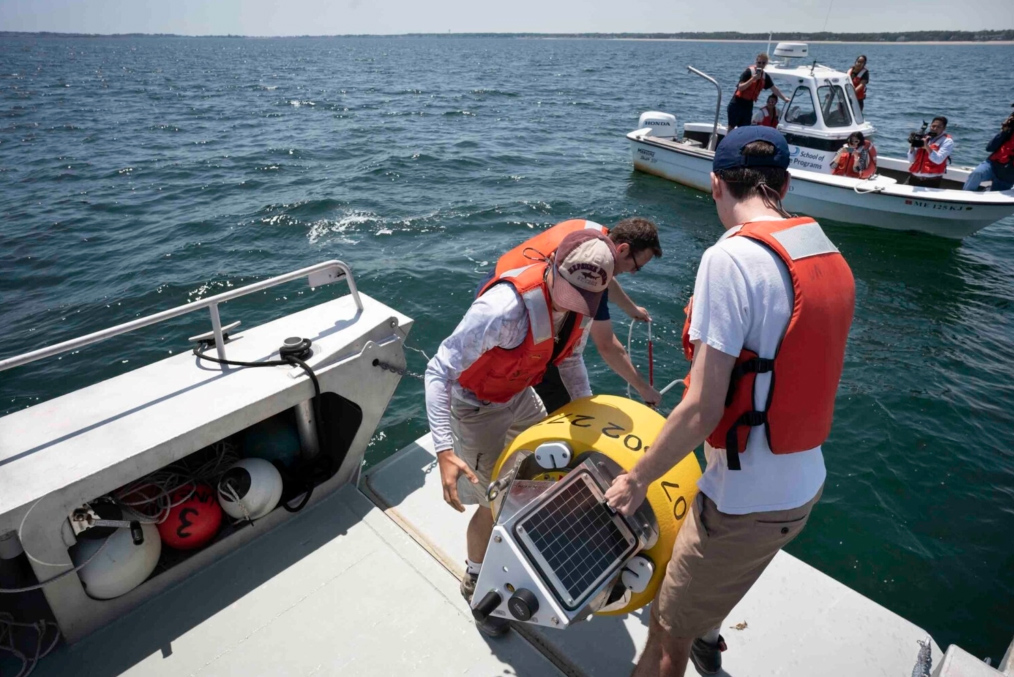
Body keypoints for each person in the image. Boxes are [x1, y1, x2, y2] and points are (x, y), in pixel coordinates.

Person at [604, 126, 855, 677]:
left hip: (743, 501)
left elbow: (702, 408)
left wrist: (638, 477)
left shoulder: (730, 260)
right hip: (803, 485)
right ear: (785, 183)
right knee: (717, 582)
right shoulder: (825, 248)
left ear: (716, 184)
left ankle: (692, 639)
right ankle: (709, 634)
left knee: (664, 635)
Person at [425, 229, 617, 637]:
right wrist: (444, 449)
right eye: (569, 292)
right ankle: (476, 580)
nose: (575, 305)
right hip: (475, 407)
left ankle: (528, 539)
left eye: (586, 298)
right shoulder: (503, 310)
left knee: (543, 472)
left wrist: (585, 410)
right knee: (488, 502)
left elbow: (570, 361)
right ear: (552, 269)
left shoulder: (581, 306)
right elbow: (438, 370)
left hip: (520, 394)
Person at [526, 218, 664, 413]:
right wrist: (645, 389)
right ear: (623, 249)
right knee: (575, 411)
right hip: (536, 345)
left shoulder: (592, 243)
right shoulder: (589, 278)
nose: (633, 273)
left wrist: (631, 308)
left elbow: (608, 279)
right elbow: (607, 346)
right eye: (635, 267)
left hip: (513, 289)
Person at [727, 53, 789, 132]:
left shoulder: (765, 76)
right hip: (737, 104)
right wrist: (753, 79)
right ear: (756, 62)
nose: (761, 65)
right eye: (759, 62)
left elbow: (774, 89)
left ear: (766, 64)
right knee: (731, 128)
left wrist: (784, 98)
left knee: (744, 130)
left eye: (763, 63)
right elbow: (740, 87)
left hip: (748, 106)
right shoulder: (749, 72)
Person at [962, 111, 1014, 192]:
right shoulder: (1009, 130)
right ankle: (965, 196)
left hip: (1009, 173)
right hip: (992, 164)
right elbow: (989, 148)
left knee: (996, 196)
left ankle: (988, 190)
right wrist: (1003, 131)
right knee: (977, 173)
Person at [906, 116, 953, 189]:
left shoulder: (947, 141)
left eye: (938, 127)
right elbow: (911, 160)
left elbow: (938, 160)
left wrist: (927, 147)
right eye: (933, 126)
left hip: (931, 181)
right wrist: (912, 144)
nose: (935, 129)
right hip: (914, 177)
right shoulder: (924, 137)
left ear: (944, 128)